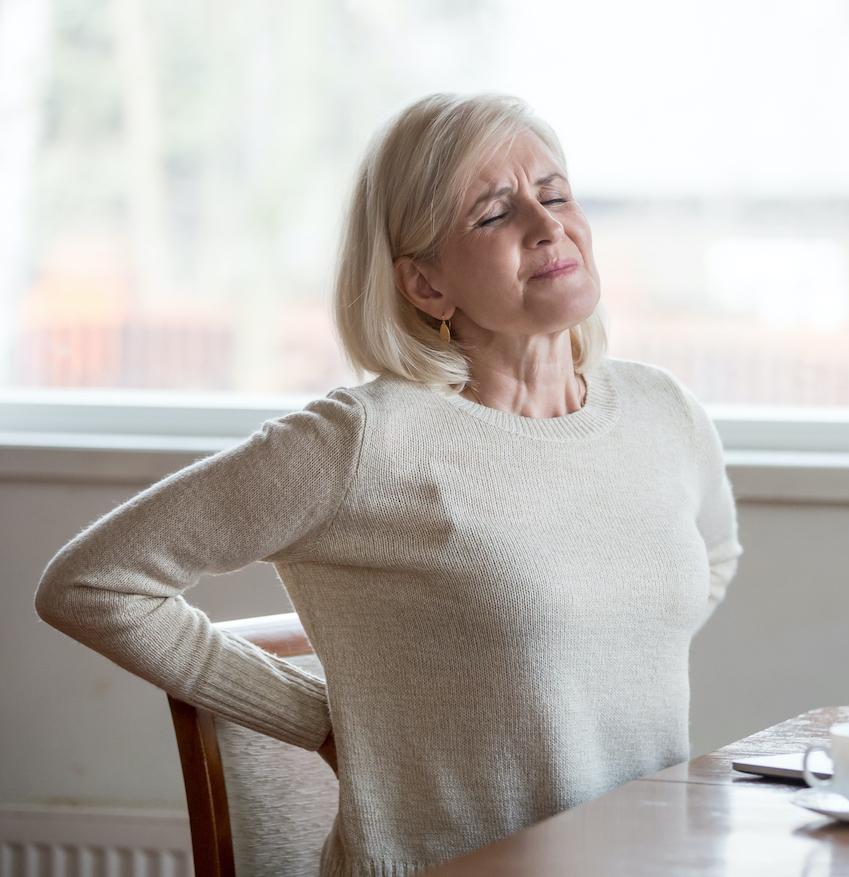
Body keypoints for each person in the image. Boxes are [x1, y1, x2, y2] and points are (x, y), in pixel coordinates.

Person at [33, 91, 744, 875]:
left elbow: (714, 554)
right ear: (426, 286)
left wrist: (598, 639)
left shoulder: (662, 410)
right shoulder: (367, 442)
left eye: (555, 193)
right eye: (495, 213)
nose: (548, 227)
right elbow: (91, 583)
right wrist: (317, 717)